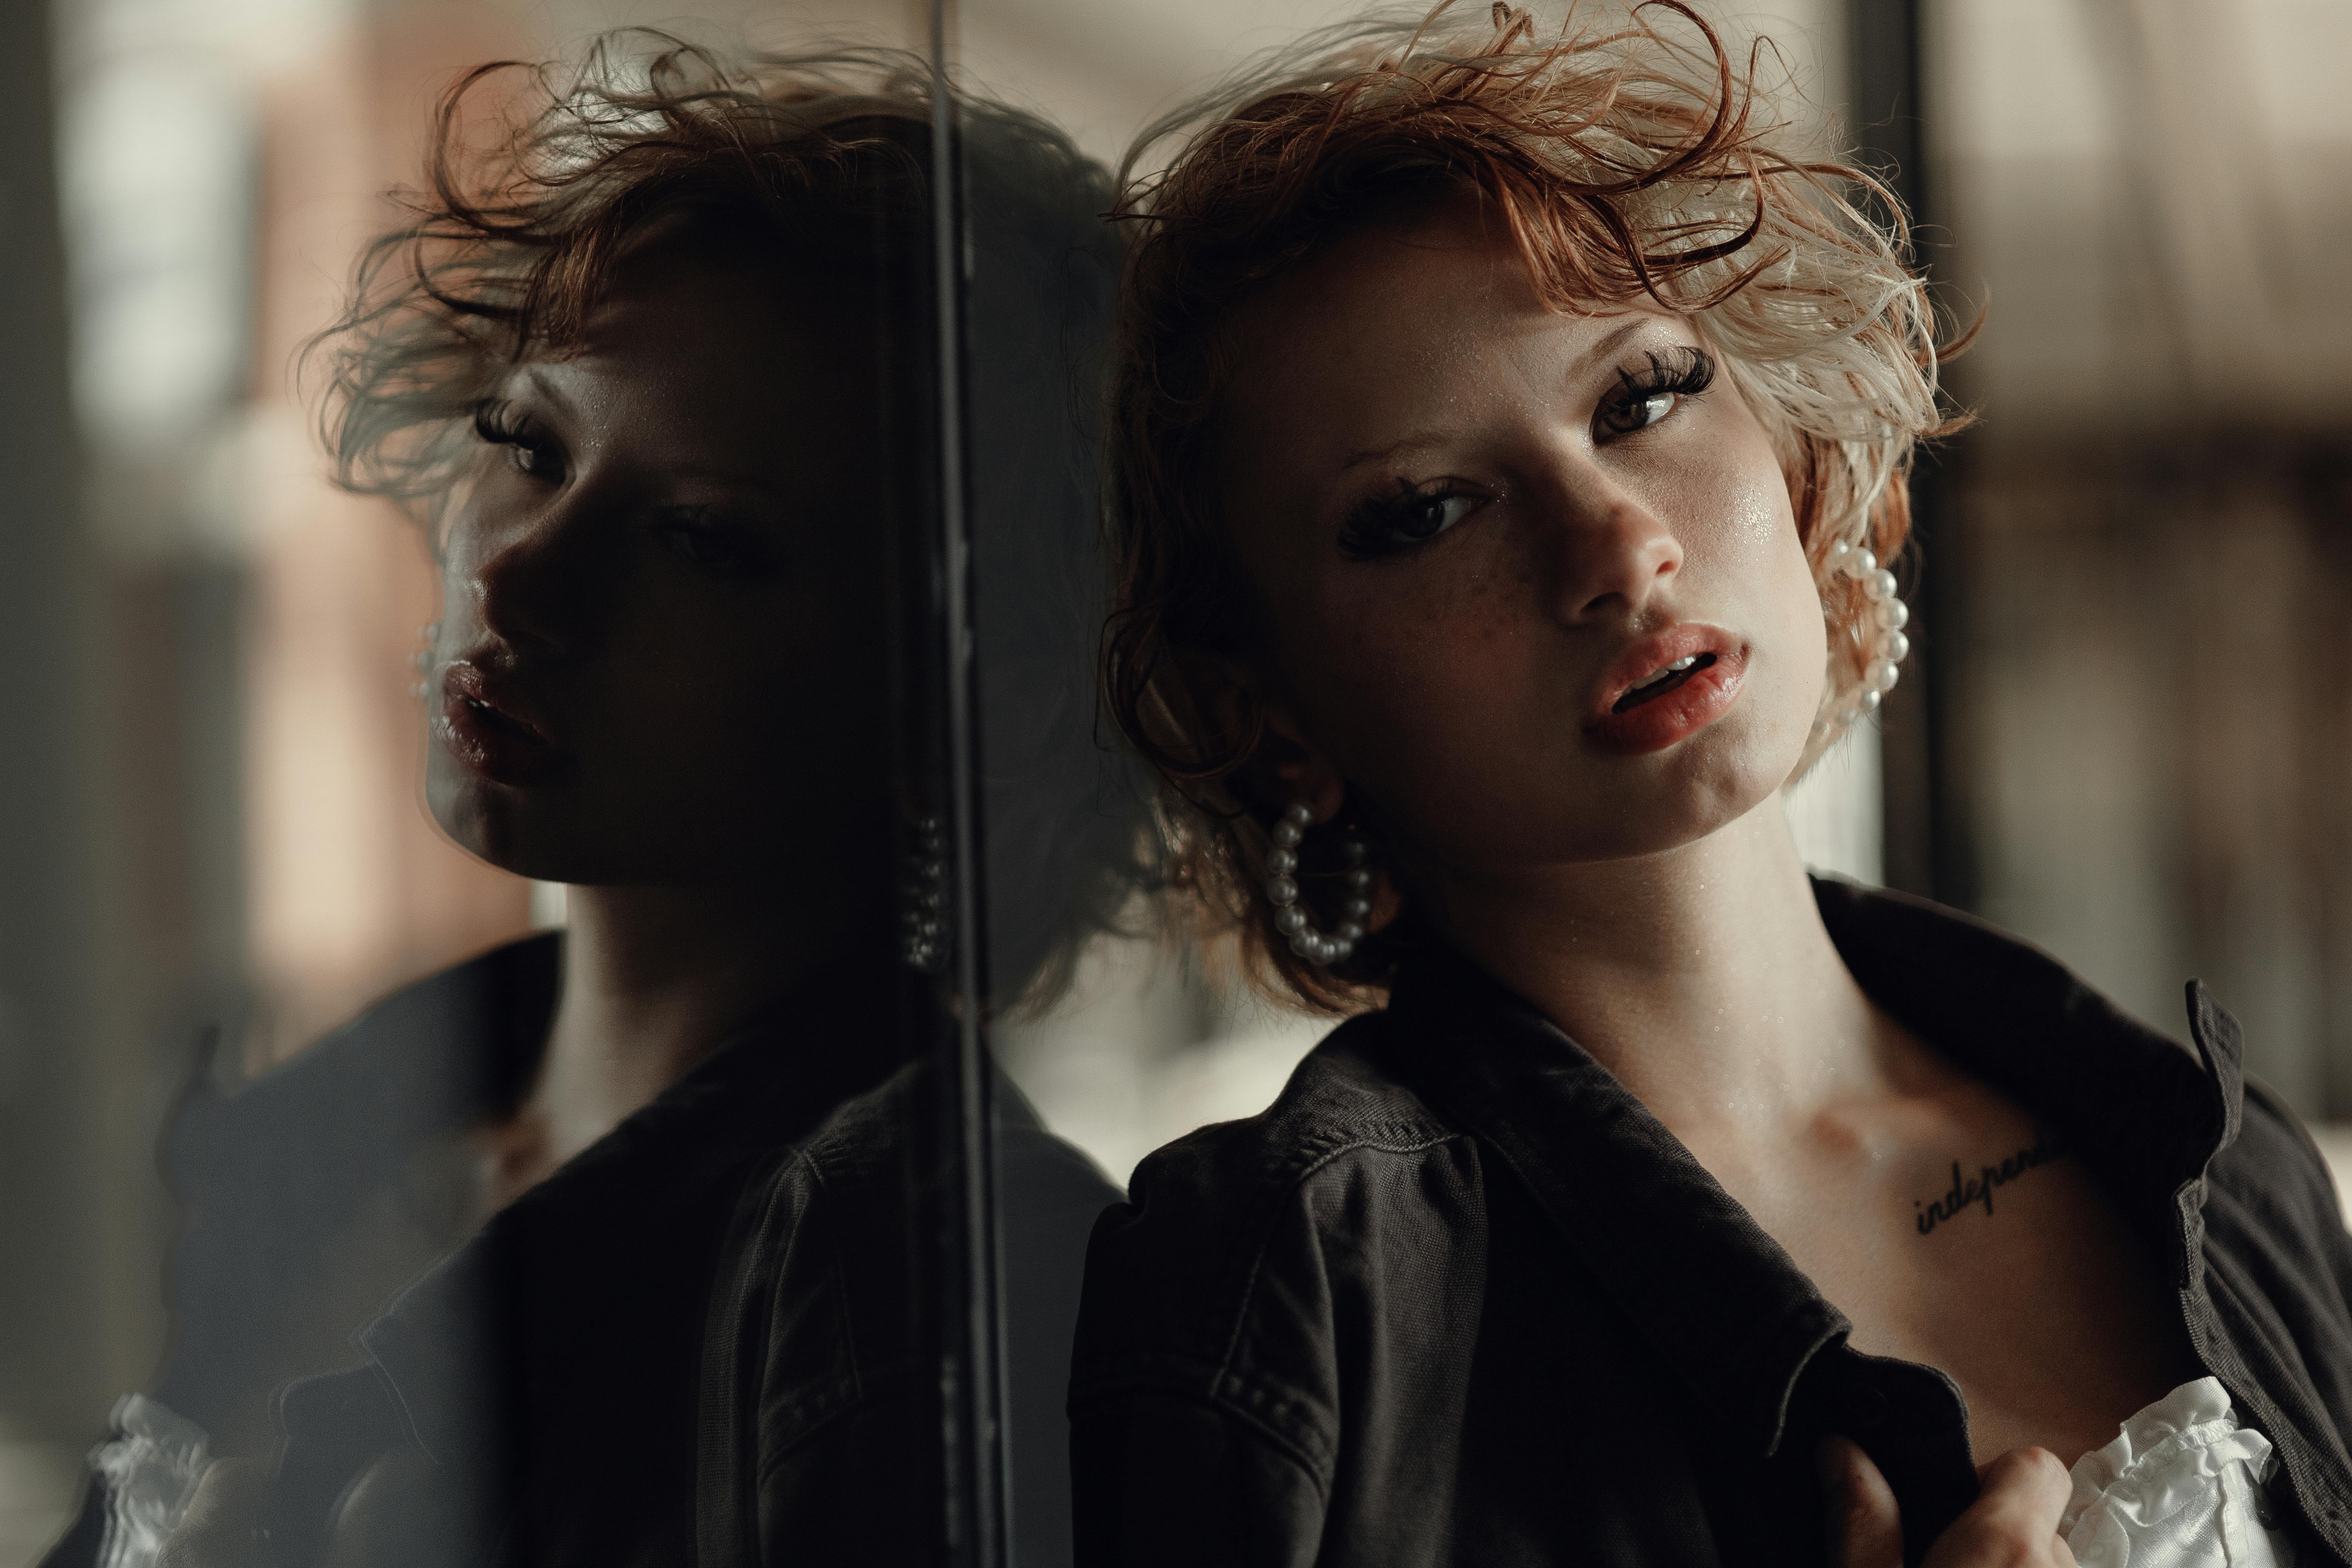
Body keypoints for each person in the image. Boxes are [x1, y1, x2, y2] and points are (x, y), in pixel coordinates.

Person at [1069, 5, 2352, 1566]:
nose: (1618, 549)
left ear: (1796, 456)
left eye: (1645, 396)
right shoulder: (1290, 1297)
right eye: (1427, 509)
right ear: (1267, 713)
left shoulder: (2226, 1157)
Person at [41, 36, 1132, 1568]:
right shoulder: (329, 1135)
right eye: (532, 446)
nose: (522, 577)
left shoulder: (947, 1288)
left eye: (703, 537)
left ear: (948, 690)